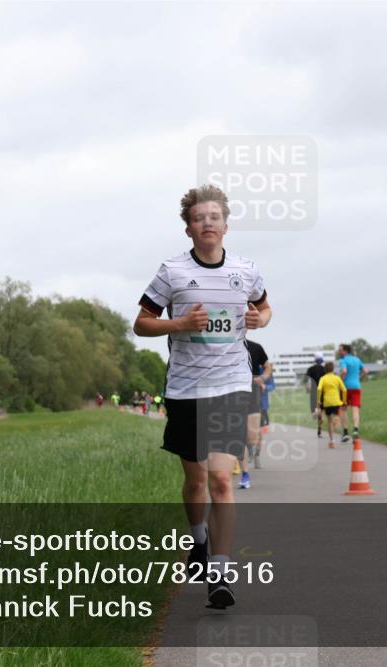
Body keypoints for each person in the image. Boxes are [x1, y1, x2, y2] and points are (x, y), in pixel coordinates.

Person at [133, 184, 271, 610]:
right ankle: (198, 539)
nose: (207, 223)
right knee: (195, 483)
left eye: (214, 217)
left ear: (225, 225)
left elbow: (265, 308)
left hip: (230, 384)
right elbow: (141, 323)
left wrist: (258, 319)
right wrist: (178, 324)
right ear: (189, 229)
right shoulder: (172, 272)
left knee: (221, 480)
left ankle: (221, 572)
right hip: (185, 389)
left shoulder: (246, 270)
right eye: (199, 218)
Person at [239, 339, 272, 486]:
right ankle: (245, 474)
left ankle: (248, 454)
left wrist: (263, 378)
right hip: (231, 392)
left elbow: (268, 366)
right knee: (238, 435)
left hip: (253, 393)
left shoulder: (256, 347)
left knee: (251, 438)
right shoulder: (223, 345)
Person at [337, 343, 368, 442]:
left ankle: (345, 433)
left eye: (340, 350)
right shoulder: (357, 359)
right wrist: (360, 379)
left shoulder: (343, 360)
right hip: (356, 387)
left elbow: (344, 371)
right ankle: (355, 430)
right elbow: (366, 371)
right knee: (355, 409)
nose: (339, 351)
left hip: (345, 388)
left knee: (343, 409)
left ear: (345, 351)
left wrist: (340, 380)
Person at [316, 361, 347, 449]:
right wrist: (344, 401)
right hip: (337, 402)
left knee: (329, 421)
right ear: (333, 369)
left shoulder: (323, 378)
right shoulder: (337, 378)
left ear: (325, 370)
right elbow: (344, 389)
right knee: (337, 416)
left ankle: (332, 441)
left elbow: (319, 388)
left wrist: (318, 400)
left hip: (327, 402)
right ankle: (336, 422)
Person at [303, 354, 327, 438]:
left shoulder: (310, 369)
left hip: (313, 391)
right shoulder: (325, 369)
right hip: (323, 392)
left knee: (314, 411)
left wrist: (307, 387)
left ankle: (315, 412)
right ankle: (319, 430)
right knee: (322, 411)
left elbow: (305, 379)